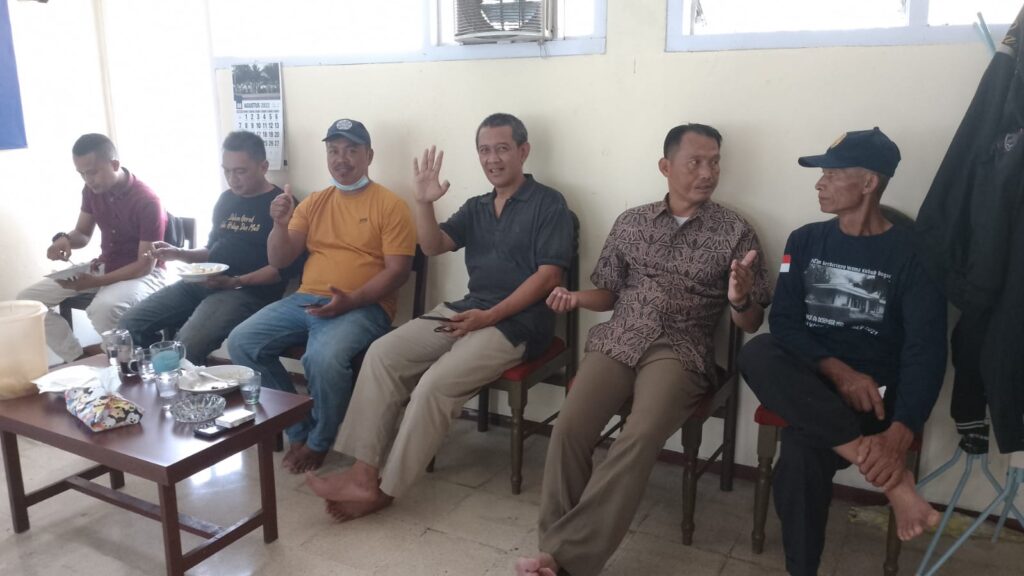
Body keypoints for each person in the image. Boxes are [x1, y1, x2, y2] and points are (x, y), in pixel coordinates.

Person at [516, 123, 771, 576]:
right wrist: (576, 298)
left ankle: (564, 560)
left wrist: (739, 298)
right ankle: (554, 552)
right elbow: (609, 293)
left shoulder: (735, 231)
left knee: (638, 436)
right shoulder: (632, 222)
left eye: (714, 162)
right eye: (696, 162)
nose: (708, 172)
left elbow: (751, 322)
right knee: (569, 427)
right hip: (620, 337)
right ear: (666, 166)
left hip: (681, 348)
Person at [306, 113, 574, 521]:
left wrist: (490, 316)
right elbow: (432, 246)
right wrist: (424, 202)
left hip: (518, 324)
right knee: (383, 354)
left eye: (502, 149)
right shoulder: (477, 206)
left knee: (435, 384)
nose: (493, 159)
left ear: (523, 151)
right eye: (484, 150)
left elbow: (549, 276)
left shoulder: (548, 203)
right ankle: (362, 474)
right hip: (467, 310)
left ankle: (386, 490)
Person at [737, 128, 946, 576]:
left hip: (874, 401)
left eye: (832, 174)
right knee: (758, 351)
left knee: (799, 455)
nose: (820, 183)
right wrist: (838, 371)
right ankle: (896, 485)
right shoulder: (804, 241)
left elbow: (926, 350)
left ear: (869, 182)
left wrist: (901, 430)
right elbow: (784, 322)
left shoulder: (915, 254)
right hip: (812, 386)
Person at [227, 119, 416, 474]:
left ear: (369, 156)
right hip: (305, 301)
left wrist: (352, 300)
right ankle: (298, 428)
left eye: (351, 150)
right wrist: (279, 225)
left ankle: (320, 440)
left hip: (364, 307)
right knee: (242, 342)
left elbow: (398, 272)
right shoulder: (314, 203)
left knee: (323, 359)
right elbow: (279, 259)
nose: (341, 159)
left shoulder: (390, 205)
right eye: (333, 151)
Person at [118, 131, 299, 365]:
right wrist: (178, 253)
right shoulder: (226, 199)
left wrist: (234, 282)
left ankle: (179, 381)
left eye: (240, 171)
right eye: (227, 171)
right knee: (129, 325)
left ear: (263, 167)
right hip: (204, 283)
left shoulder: (281, 206)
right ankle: (154, 378)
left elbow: (280, 271)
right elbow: (211, 252)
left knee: (186, 346)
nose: (232, 179)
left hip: (246, 292)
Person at [18, 133, 166, 363]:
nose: (88, 180)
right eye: (81, 174)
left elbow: (144, 266)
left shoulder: (147, 200)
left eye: (92, 172)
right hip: (105, 266)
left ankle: (125, 365)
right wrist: (65, 240)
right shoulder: (91, 191)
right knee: (27, 302)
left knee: (103, 308)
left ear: (114, 164)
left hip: (145, 274)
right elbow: (83, 234)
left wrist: (95, 281)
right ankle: (77, 359)